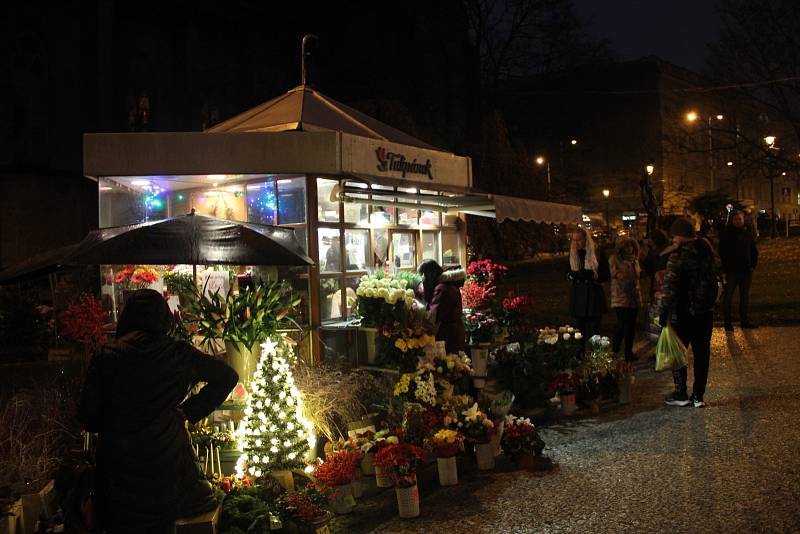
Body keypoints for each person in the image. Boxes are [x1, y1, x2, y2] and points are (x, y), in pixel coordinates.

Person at [78, 289, 238, 533]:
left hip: (119, 473)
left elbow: (88, 418)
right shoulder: (179, 353)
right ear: (165, 319)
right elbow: (227, 376)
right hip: (170, 469)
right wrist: (187, 412)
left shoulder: (106, 356)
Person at [658, 218, 720, 408]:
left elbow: (669, 287)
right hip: (705, 312)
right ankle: (698, 396)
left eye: (674, 236)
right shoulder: (708, 252)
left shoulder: (677, 256)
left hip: (682, 312)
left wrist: (663, 311)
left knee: (678, 353)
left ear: (679, 236)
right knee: (702, 354)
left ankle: (681, 393)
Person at [719, 210, 758, 331]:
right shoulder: (726, 234)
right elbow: (722, 253)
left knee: (744, 297)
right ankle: (727, 323)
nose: (738, 221)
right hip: (731, 271)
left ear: (743, 220)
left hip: (746, 270)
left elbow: (753, 250)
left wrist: (752, 265)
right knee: (728, 297)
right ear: (732, 220)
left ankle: (744, 321)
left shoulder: (747, 234)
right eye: (735, 219)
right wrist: (724, 270)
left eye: (740, 219)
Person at [567, 227, 609, 342]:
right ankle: (580, 356)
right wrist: (573, 275)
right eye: (574, 240)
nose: (576, 243)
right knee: (579, 333)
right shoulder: (573, 254)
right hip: (578, 297)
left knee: (594, 331)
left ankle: (595, 357)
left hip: (593, 296)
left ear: (586, 239)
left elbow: (606, 275)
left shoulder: (597, 253)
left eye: (579, 240)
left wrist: (592, 275)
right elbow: (568, 273)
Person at [418, 259, 467, 353]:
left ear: (429, 275)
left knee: (449, 363)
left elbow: (433, 316)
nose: (422, 279)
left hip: (448, 335)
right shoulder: (447, 285)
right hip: (454, 332)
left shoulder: (441, 289)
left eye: (423, 275)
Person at [609, 237, 642, 362]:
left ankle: (628, 352)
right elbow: (615, 274)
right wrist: (622, 274)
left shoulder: (635, 260)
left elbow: (638, 277)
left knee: (631, 326)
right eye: (626, 246)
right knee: (622, 325)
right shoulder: (615, 259)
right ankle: (615, 350)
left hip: (634, 298)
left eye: (631, 246)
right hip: (620, 298)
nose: (629, 249)